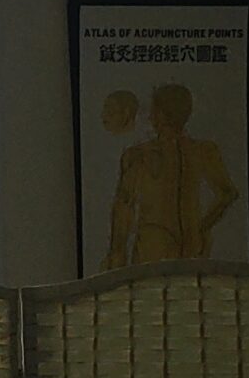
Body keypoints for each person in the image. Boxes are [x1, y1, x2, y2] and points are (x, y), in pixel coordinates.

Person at [101, 80, 236, 269]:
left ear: (160, 114)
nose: (149, 116)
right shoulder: (203, 150)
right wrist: (202, 227)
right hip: (192, 243)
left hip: (154, 242)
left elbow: (124, 206)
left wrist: (116, 251)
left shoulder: (139, 155)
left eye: (153, 110)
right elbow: (227, 194)